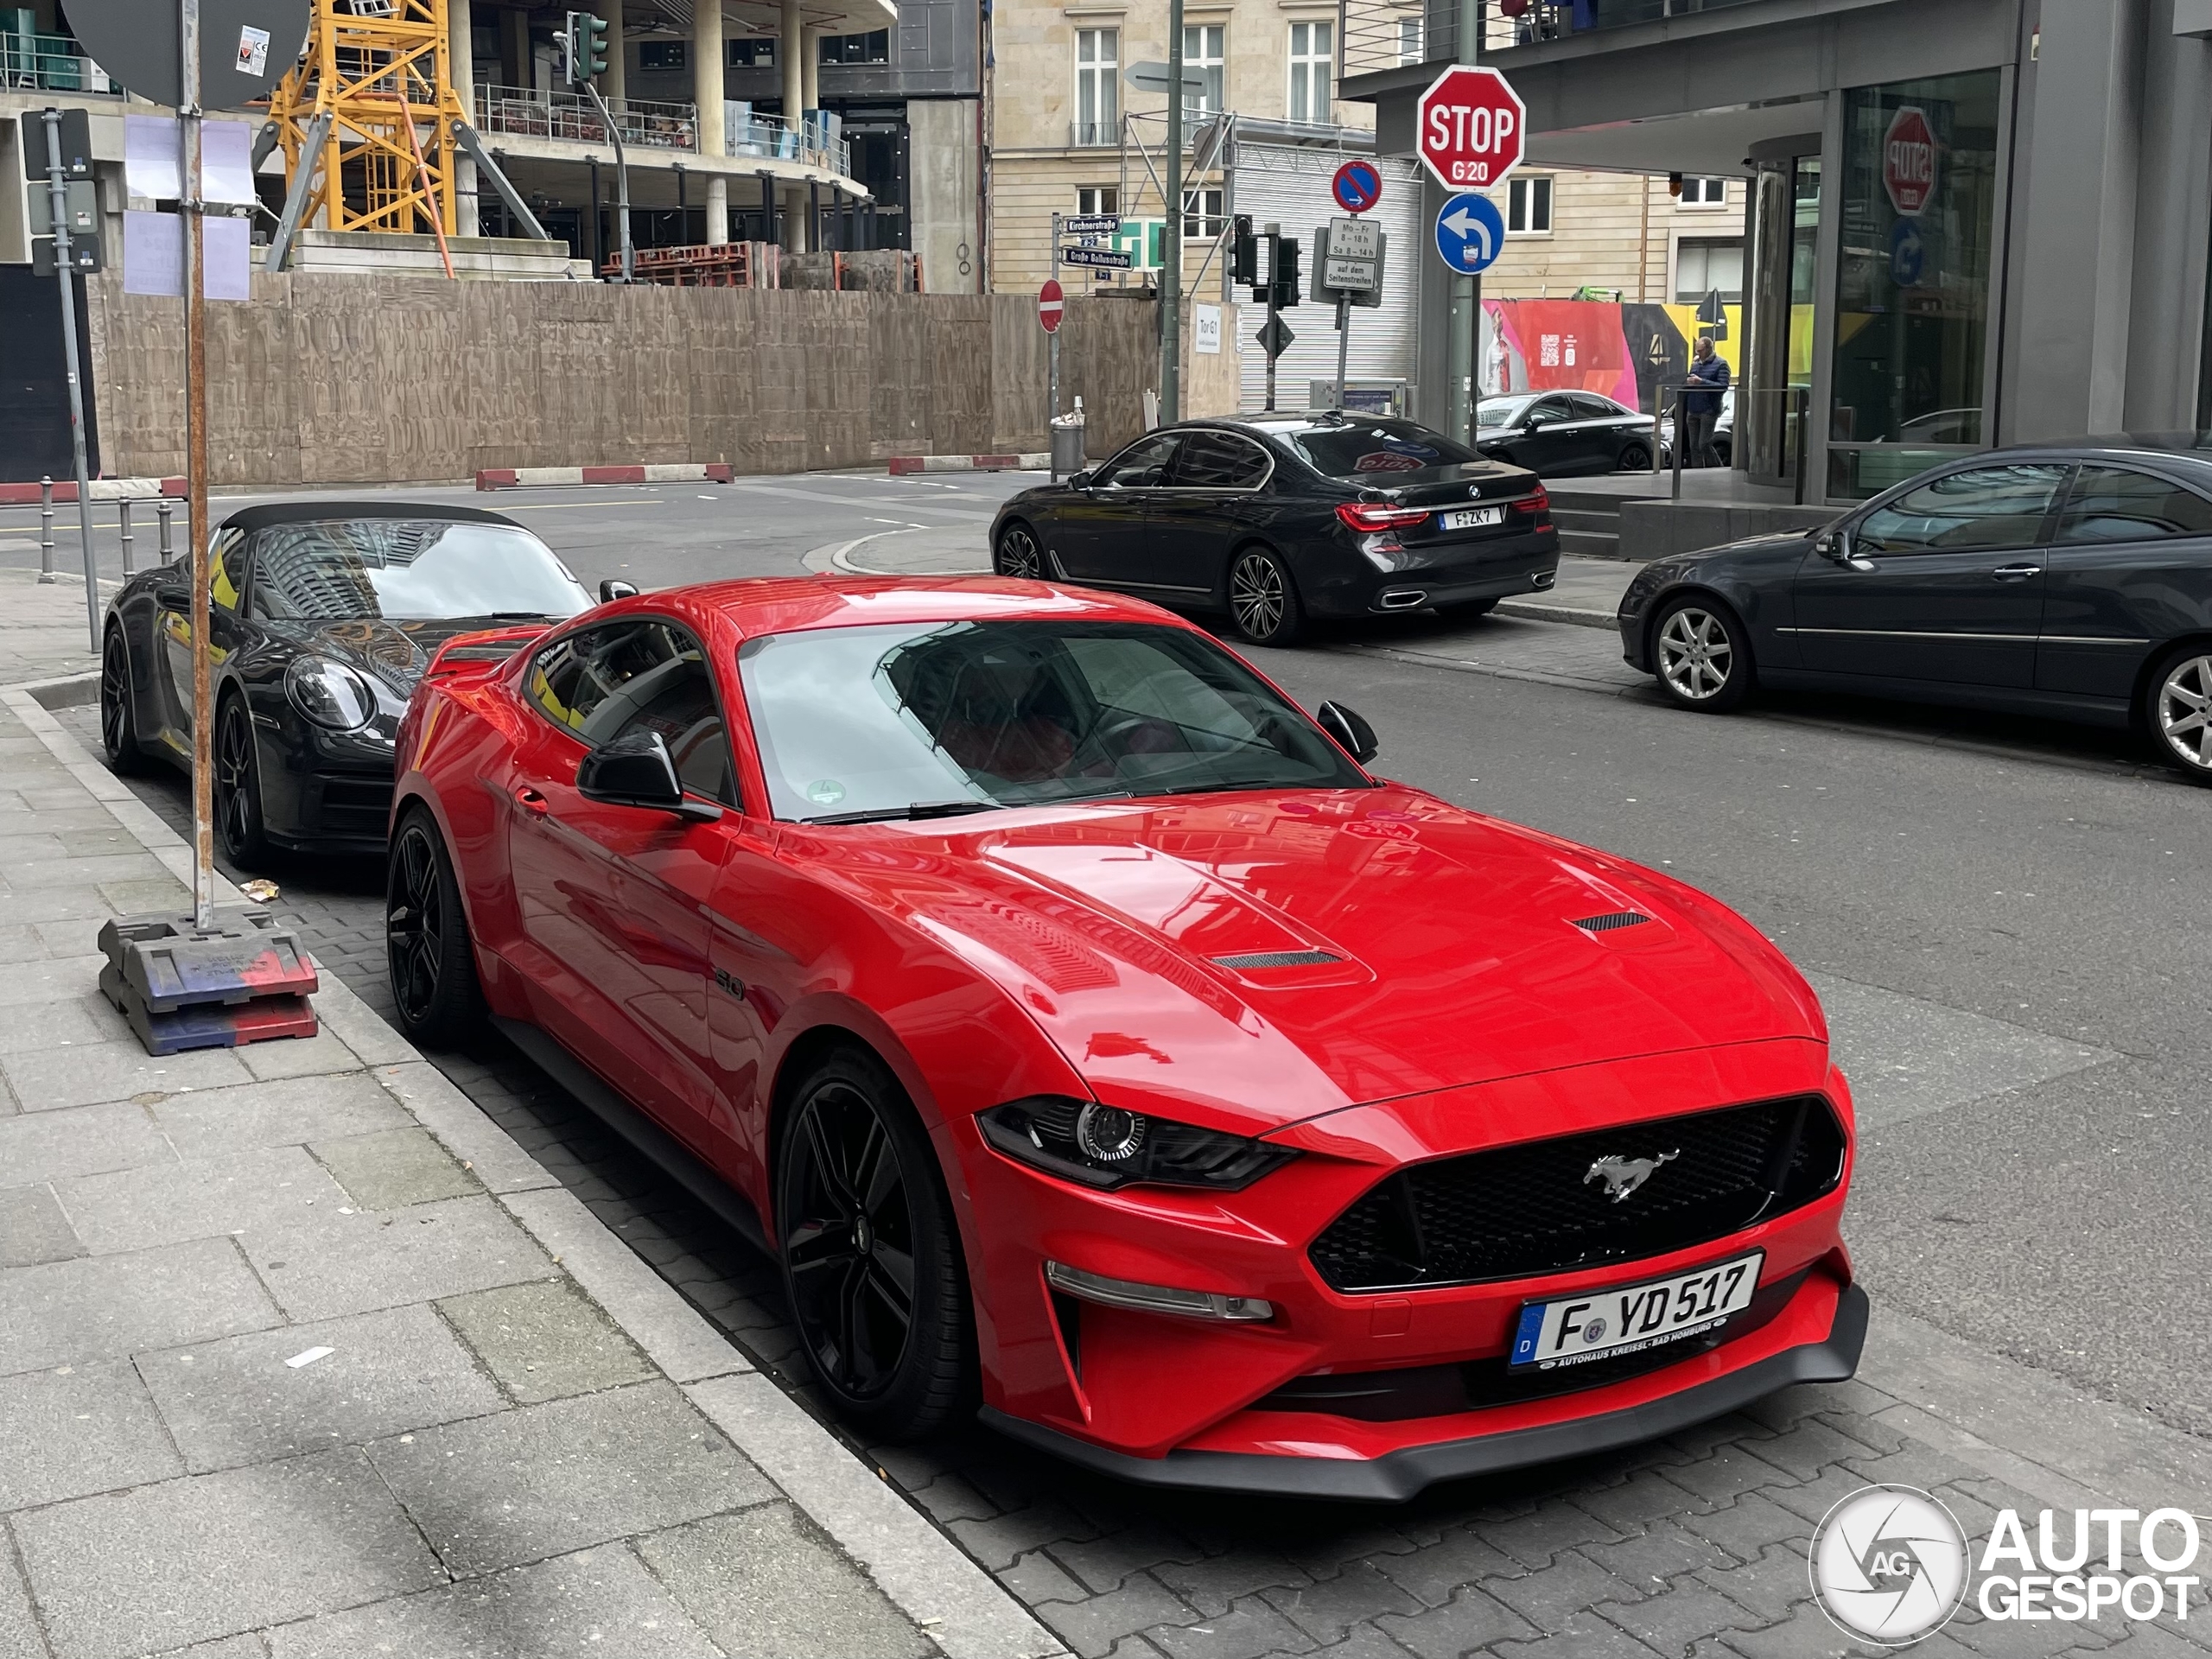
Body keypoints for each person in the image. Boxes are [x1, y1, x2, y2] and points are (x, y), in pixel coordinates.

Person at [1683, 336, 1731, 467]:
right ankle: (1697, 471)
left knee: (1704, 444)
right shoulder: (1696, 363)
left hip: (1709, 409)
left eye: (1701, 350)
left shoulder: (1721, 364)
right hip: (1693, 408)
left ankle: (1717, 468)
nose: (1698, 353)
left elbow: (1722, 386)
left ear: (1709, 348)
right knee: (1693, 446)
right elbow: (1691, 380)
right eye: (1696, 351)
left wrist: (1701, 382)